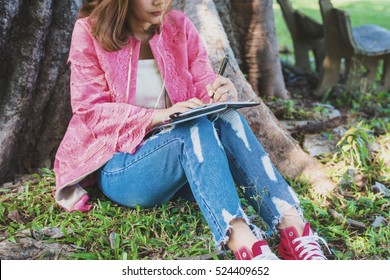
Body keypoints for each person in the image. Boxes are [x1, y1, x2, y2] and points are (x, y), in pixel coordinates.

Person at [54, 0, 330, 260]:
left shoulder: (178, 26)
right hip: (122, 167)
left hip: (185, 163)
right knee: (190, 127)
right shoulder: (89, 31)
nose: (160, 2)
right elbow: (89, 111)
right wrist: (158, 116)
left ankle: (294, 232)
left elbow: (202, 87)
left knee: (228, 118)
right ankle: (248, 248)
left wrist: (221, 92)